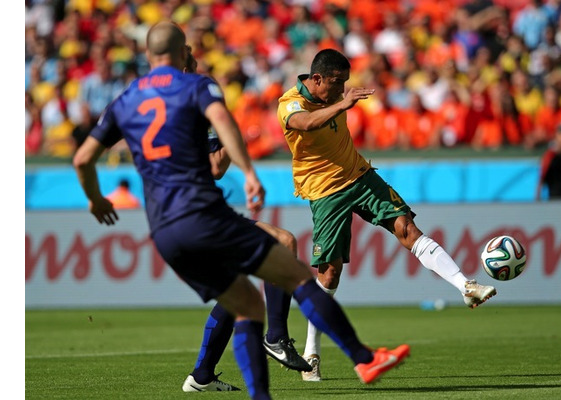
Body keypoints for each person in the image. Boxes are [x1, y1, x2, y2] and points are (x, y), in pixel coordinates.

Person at [73, 22, 409, 399]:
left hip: (163, 228)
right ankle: (359, 357)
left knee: (244, 299)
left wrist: (95, 199)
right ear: (183, 52)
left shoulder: (126, 99)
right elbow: (218, 160)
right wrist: (248, 171)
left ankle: (206, 375)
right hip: (201, 212)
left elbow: (82, 159)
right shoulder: (197, 87)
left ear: (148, 55)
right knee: (289, 260)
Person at [276, 48, 496, 382]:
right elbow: (304, 124)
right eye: (337, 83)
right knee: (330, 273)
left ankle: (465, 285)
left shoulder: (333, 95)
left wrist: (340, 102)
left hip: (360, 175)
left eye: (345, 84)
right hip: (324, 192)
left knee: (407, 227)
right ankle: (312, 352)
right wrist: (342, 104)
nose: (342, 89)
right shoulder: (290, 103)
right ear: (317, 79)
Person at [180, 47, 311, 392]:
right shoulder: (190, 112)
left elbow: (214, 169)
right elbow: (213, 168)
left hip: (199, 214)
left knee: (239, 288)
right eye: (190, 62)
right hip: (197, 217)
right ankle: (276, 337)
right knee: (282, 243)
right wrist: (240, 138)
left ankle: (202, 375)